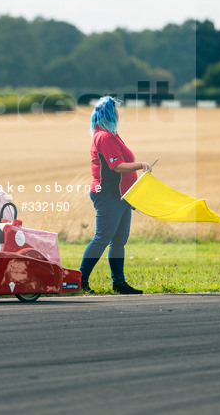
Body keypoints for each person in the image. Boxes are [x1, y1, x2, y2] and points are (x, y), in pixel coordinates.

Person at [79, 96, 150, 294]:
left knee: (118, 241)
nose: (119, 113)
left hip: (121, 196)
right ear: (110, 113)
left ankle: (118, 283)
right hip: (109, 195)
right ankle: (80, 281)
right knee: (102, 238)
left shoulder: (112, 135)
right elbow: (117, 166)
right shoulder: (106, 137)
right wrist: (142, 165)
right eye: (116, 110)